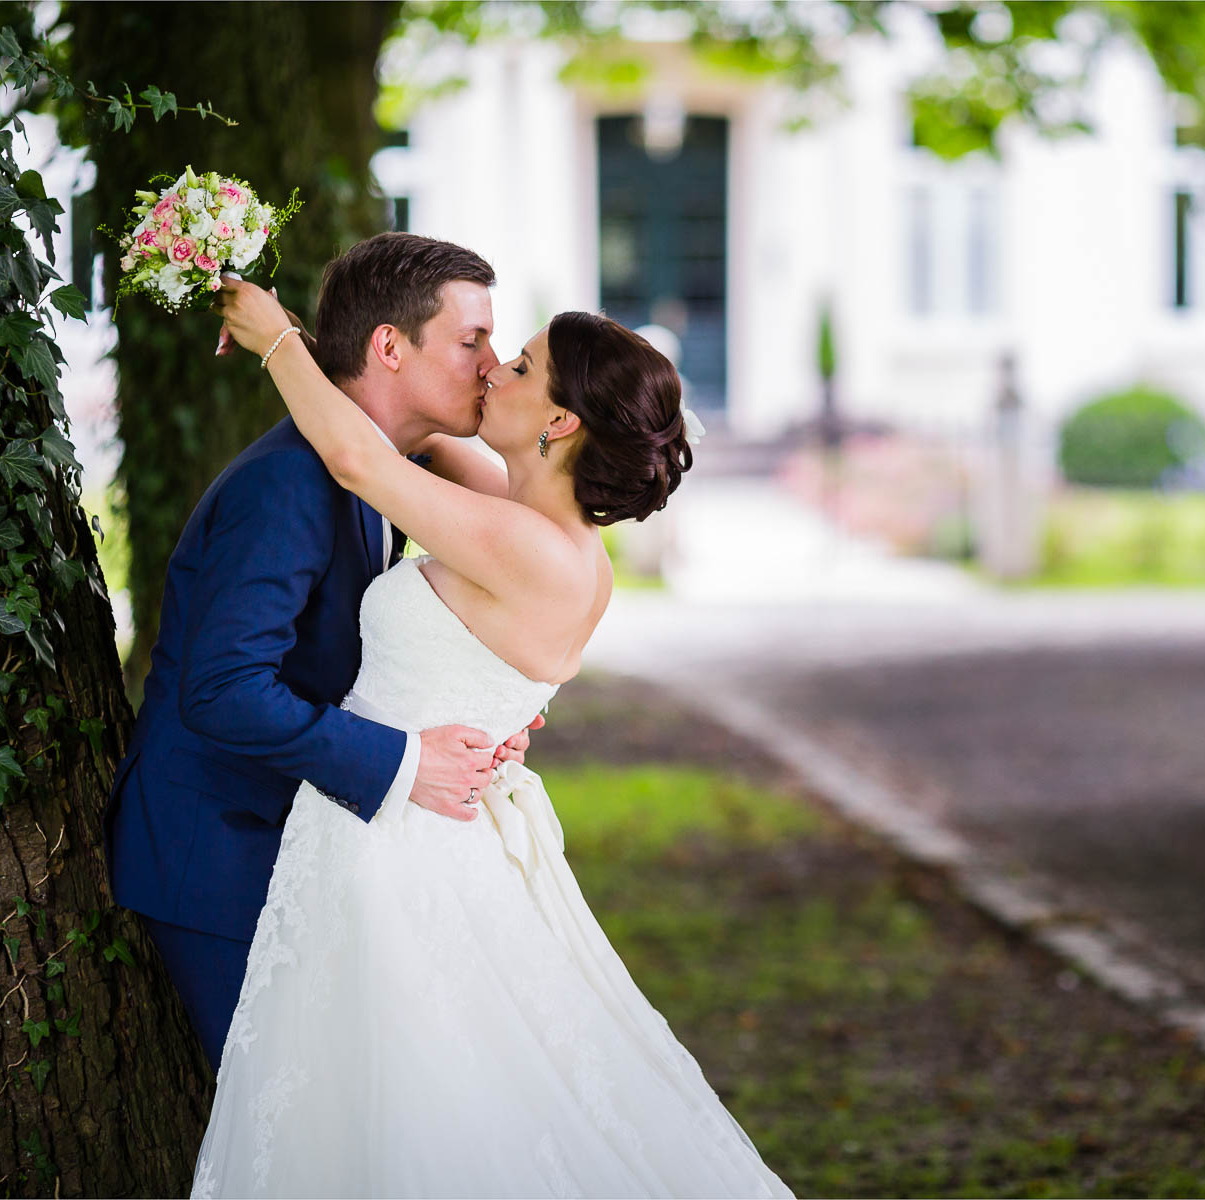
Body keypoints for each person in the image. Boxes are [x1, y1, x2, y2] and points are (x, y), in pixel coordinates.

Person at [193, 273, 792, 1197]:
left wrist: (278, 340)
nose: (493, 371)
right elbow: (398, 440)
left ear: (559, 423)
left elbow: (362, 464)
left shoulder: (530, 548)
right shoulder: (525, 520)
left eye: (518, 364)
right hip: (394, 822)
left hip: (400, 848)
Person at [104, 233, 541, 1071]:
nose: (490, 364)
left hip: (295, 836)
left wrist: (485, 716)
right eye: (471, 340)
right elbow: (226, 690)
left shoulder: (387, 468)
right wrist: (407, 764)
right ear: (389, 347)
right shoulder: (290, 482)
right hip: (221, 853)